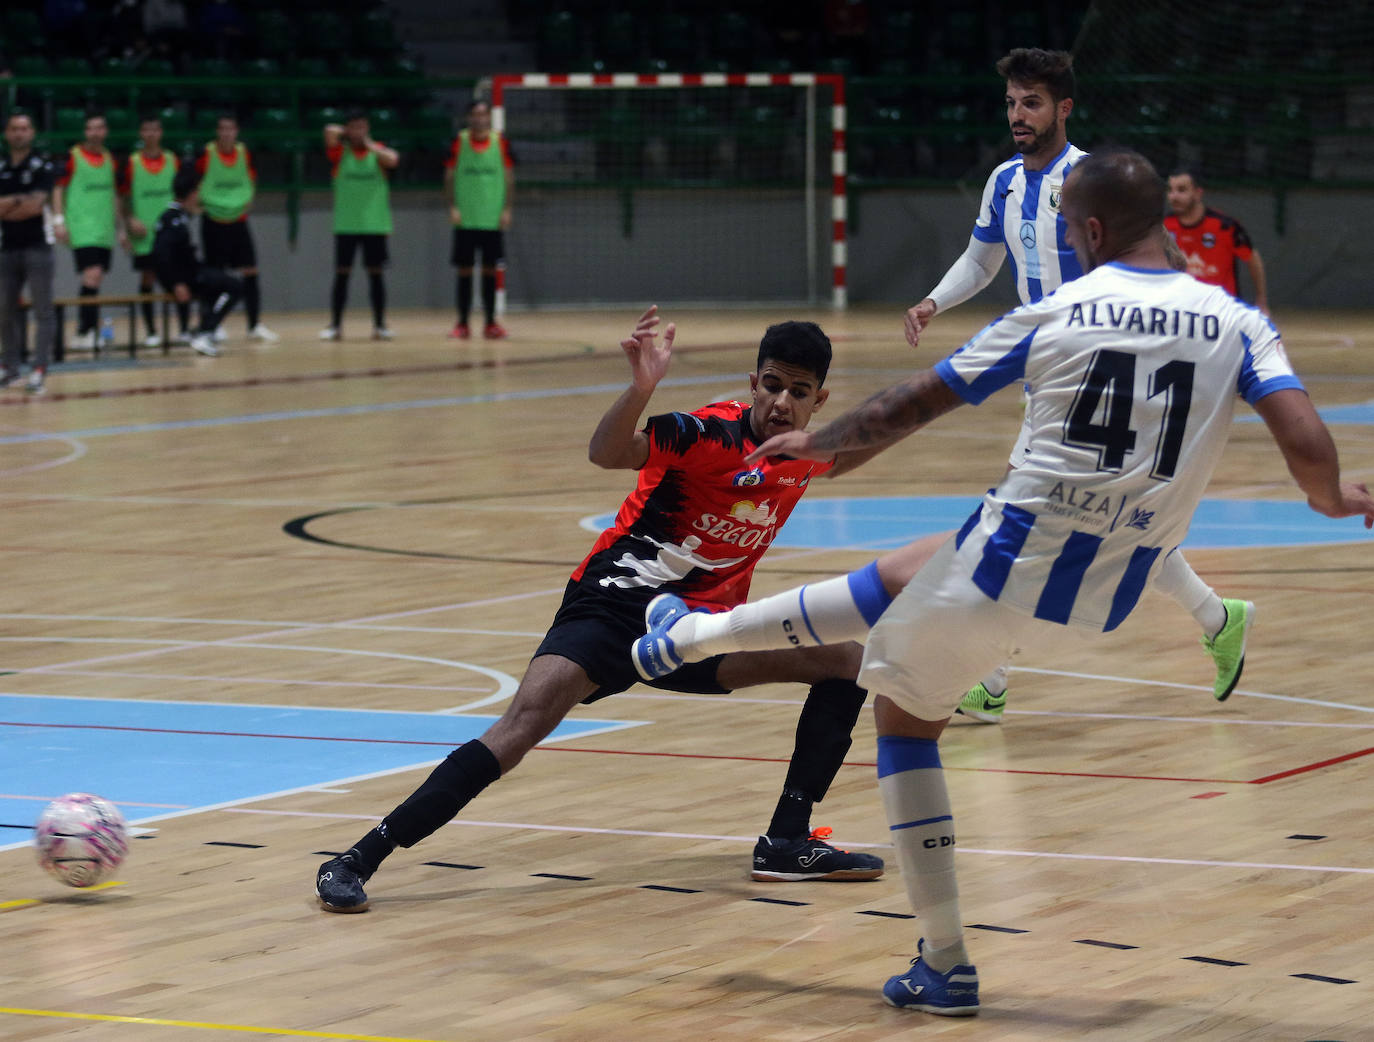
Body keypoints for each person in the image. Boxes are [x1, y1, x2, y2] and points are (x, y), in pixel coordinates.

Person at [639, 149, 1374, 1015]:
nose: (1064, 236)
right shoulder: (1239, 321)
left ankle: (945, 960)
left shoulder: (1055, 309)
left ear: (1091, 229)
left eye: (1067, 224)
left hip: (1011, 560)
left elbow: (910, 404)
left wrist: (820, 440)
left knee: (905, 723)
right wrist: (1338, 499)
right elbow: (1306, 443)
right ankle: (686, 634)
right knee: (914, 565)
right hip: (1113, 592)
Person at [314, 307, 888, 913]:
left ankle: (785, 842)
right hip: (613, 607)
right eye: (772, 385)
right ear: (753, 384)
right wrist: (641, 389)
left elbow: (850, 453)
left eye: (798, 392)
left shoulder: (806, 452)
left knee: (846, 661)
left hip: (698, 632)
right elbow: (606, 452)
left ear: (817, 400)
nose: (781, 401)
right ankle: (357, 858)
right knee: (520, 729)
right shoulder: (708, 435)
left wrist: (949, 393)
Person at [902, 48, 1251, 722]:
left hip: (1101, 377)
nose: (1017, 116)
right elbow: (981, 258)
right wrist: (933, 303)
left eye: (1031, 103)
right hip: (1050, 376)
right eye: (1010, 103)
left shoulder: (1094, 182)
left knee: (1022, 518)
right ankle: (1218, 617)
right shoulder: (1003, 181)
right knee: (1110, 522)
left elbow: (1157, 261)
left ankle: (991, 675)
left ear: (1064, 107)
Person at [195, 113, 277, 344]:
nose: (226, 133)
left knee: (251, 271)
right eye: (222, 128)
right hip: (213, 221)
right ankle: (213, 323)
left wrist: (248, 198)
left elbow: (251, 177)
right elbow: (195, 179)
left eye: (230, 128)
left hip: (238, 220)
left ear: (237, 131)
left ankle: (254, 325)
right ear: (217, 132)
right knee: (214, 275)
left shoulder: (243, 153)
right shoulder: (207, 153)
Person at [319, 111, 398, 342]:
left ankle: (380, 325)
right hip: (346, 225)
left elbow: (393, 159)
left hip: (375, 225)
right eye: (354, 127)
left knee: (376, 275)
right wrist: (348, 134)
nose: (358, 132)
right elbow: (328, 130)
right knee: (342, 274)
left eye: (362, 127)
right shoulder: (340, 153)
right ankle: (335, 326)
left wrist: (368, 142)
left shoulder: (377, 152)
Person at [151, 165, 243, 357]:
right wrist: (176, 283)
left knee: (219, 284)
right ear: (190, 193)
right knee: (234, 287)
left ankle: (204, 328)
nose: (199, 196)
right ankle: (205, 331)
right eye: (197, 191)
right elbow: (162, 255)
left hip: (191, 274)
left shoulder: (180, 217)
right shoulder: (173, 219)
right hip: (186, 278)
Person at [51, 110, 123, 351]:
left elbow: (113, 194)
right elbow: (58, 189)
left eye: (100, 127)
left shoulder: (110, 158)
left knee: (96, 278)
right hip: (82, 228)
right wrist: (59, 220)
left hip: (104, 229)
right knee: (91, 275)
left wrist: (120, 227)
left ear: (106, 131)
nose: (96, 132)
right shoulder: (73, 157)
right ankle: (84, 332)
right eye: (91, 128)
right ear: (85, 132)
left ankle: (89, 329)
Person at [444, 100, 513, 341]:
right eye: (475, 114)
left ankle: (490, 323)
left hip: (491, 218)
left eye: (483, 114)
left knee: (489, 271)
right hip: (465, 217)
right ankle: (462, 323)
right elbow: (449, 175)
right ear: (468, 118)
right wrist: (452, 205)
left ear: (489, 118)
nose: (479, 118)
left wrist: (506, 208)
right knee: (464, 271)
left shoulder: (500, 142)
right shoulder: (459, 142)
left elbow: (509, 175)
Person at [120, 113, 189, 348]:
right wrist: (128, 221)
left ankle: (184, 328)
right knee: (148, 278)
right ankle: (151, 331)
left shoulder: (172, 160)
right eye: (146, 130)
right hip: (144, 233)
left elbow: (182, 193)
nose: (151, 134)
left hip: (170, 233)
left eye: (155, 130)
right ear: (141, 133)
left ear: (161, 133)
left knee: (179, 277)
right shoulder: (133, 162)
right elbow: (124, 196)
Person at [0, 111, 56, 394]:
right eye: (14, 128)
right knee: (5, 310)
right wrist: (19, 200)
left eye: (24, 128)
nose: (19, 133)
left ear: (32, 133)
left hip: (37, 247)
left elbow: (36, 206)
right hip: (7, 248)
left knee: (42, 310)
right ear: (7, 133)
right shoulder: (1, 166)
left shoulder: (42, 166)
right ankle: (10, 367)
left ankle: (39, 368)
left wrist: (10, 204)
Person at [1165, 167, 1268, 314]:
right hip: (1183, 312)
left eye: (1181, 190)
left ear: (1198, 193)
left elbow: (1253, 259)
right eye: (1170, 190)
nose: (1173, 196)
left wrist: (1261, 300)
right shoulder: (1165, 226)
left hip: (1223, 312)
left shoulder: (1225, 226)